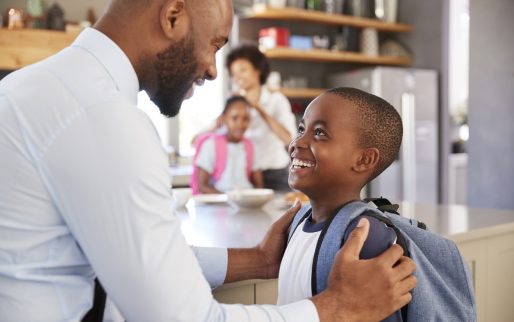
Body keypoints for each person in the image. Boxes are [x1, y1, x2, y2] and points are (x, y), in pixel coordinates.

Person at [0, 0, 416, 321]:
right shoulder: (101, 117)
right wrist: (336, 309)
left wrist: (257, 260)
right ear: (173, 15)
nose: (213, 70)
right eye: (215, 43)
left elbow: (128, 252)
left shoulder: (40, 88)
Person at [278, 87, 404, 321]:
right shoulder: (300, 219)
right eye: (302, 129)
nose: (297, 142)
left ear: (364, 160)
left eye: (319, 133)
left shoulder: (364, 237)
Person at [226, 44, 296, 191]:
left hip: (275, 174)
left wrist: (257, 107)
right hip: (244, 175)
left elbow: (290, 140)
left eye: (243, 70)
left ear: (257, 70)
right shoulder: (234, 103)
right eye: (233, 73)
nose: (237, 77)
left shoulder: (276, 100)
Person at [192, 95, 263, 194]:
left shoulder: (251, 146)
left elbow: (259, 185)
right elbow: (202, 186)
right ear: (223, 118)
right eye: (234, 118)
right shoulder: (211, 145)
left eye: (245, 119)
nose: (240, 124)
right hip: (220, 201)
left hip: (246, 200)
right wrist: (229, 200)